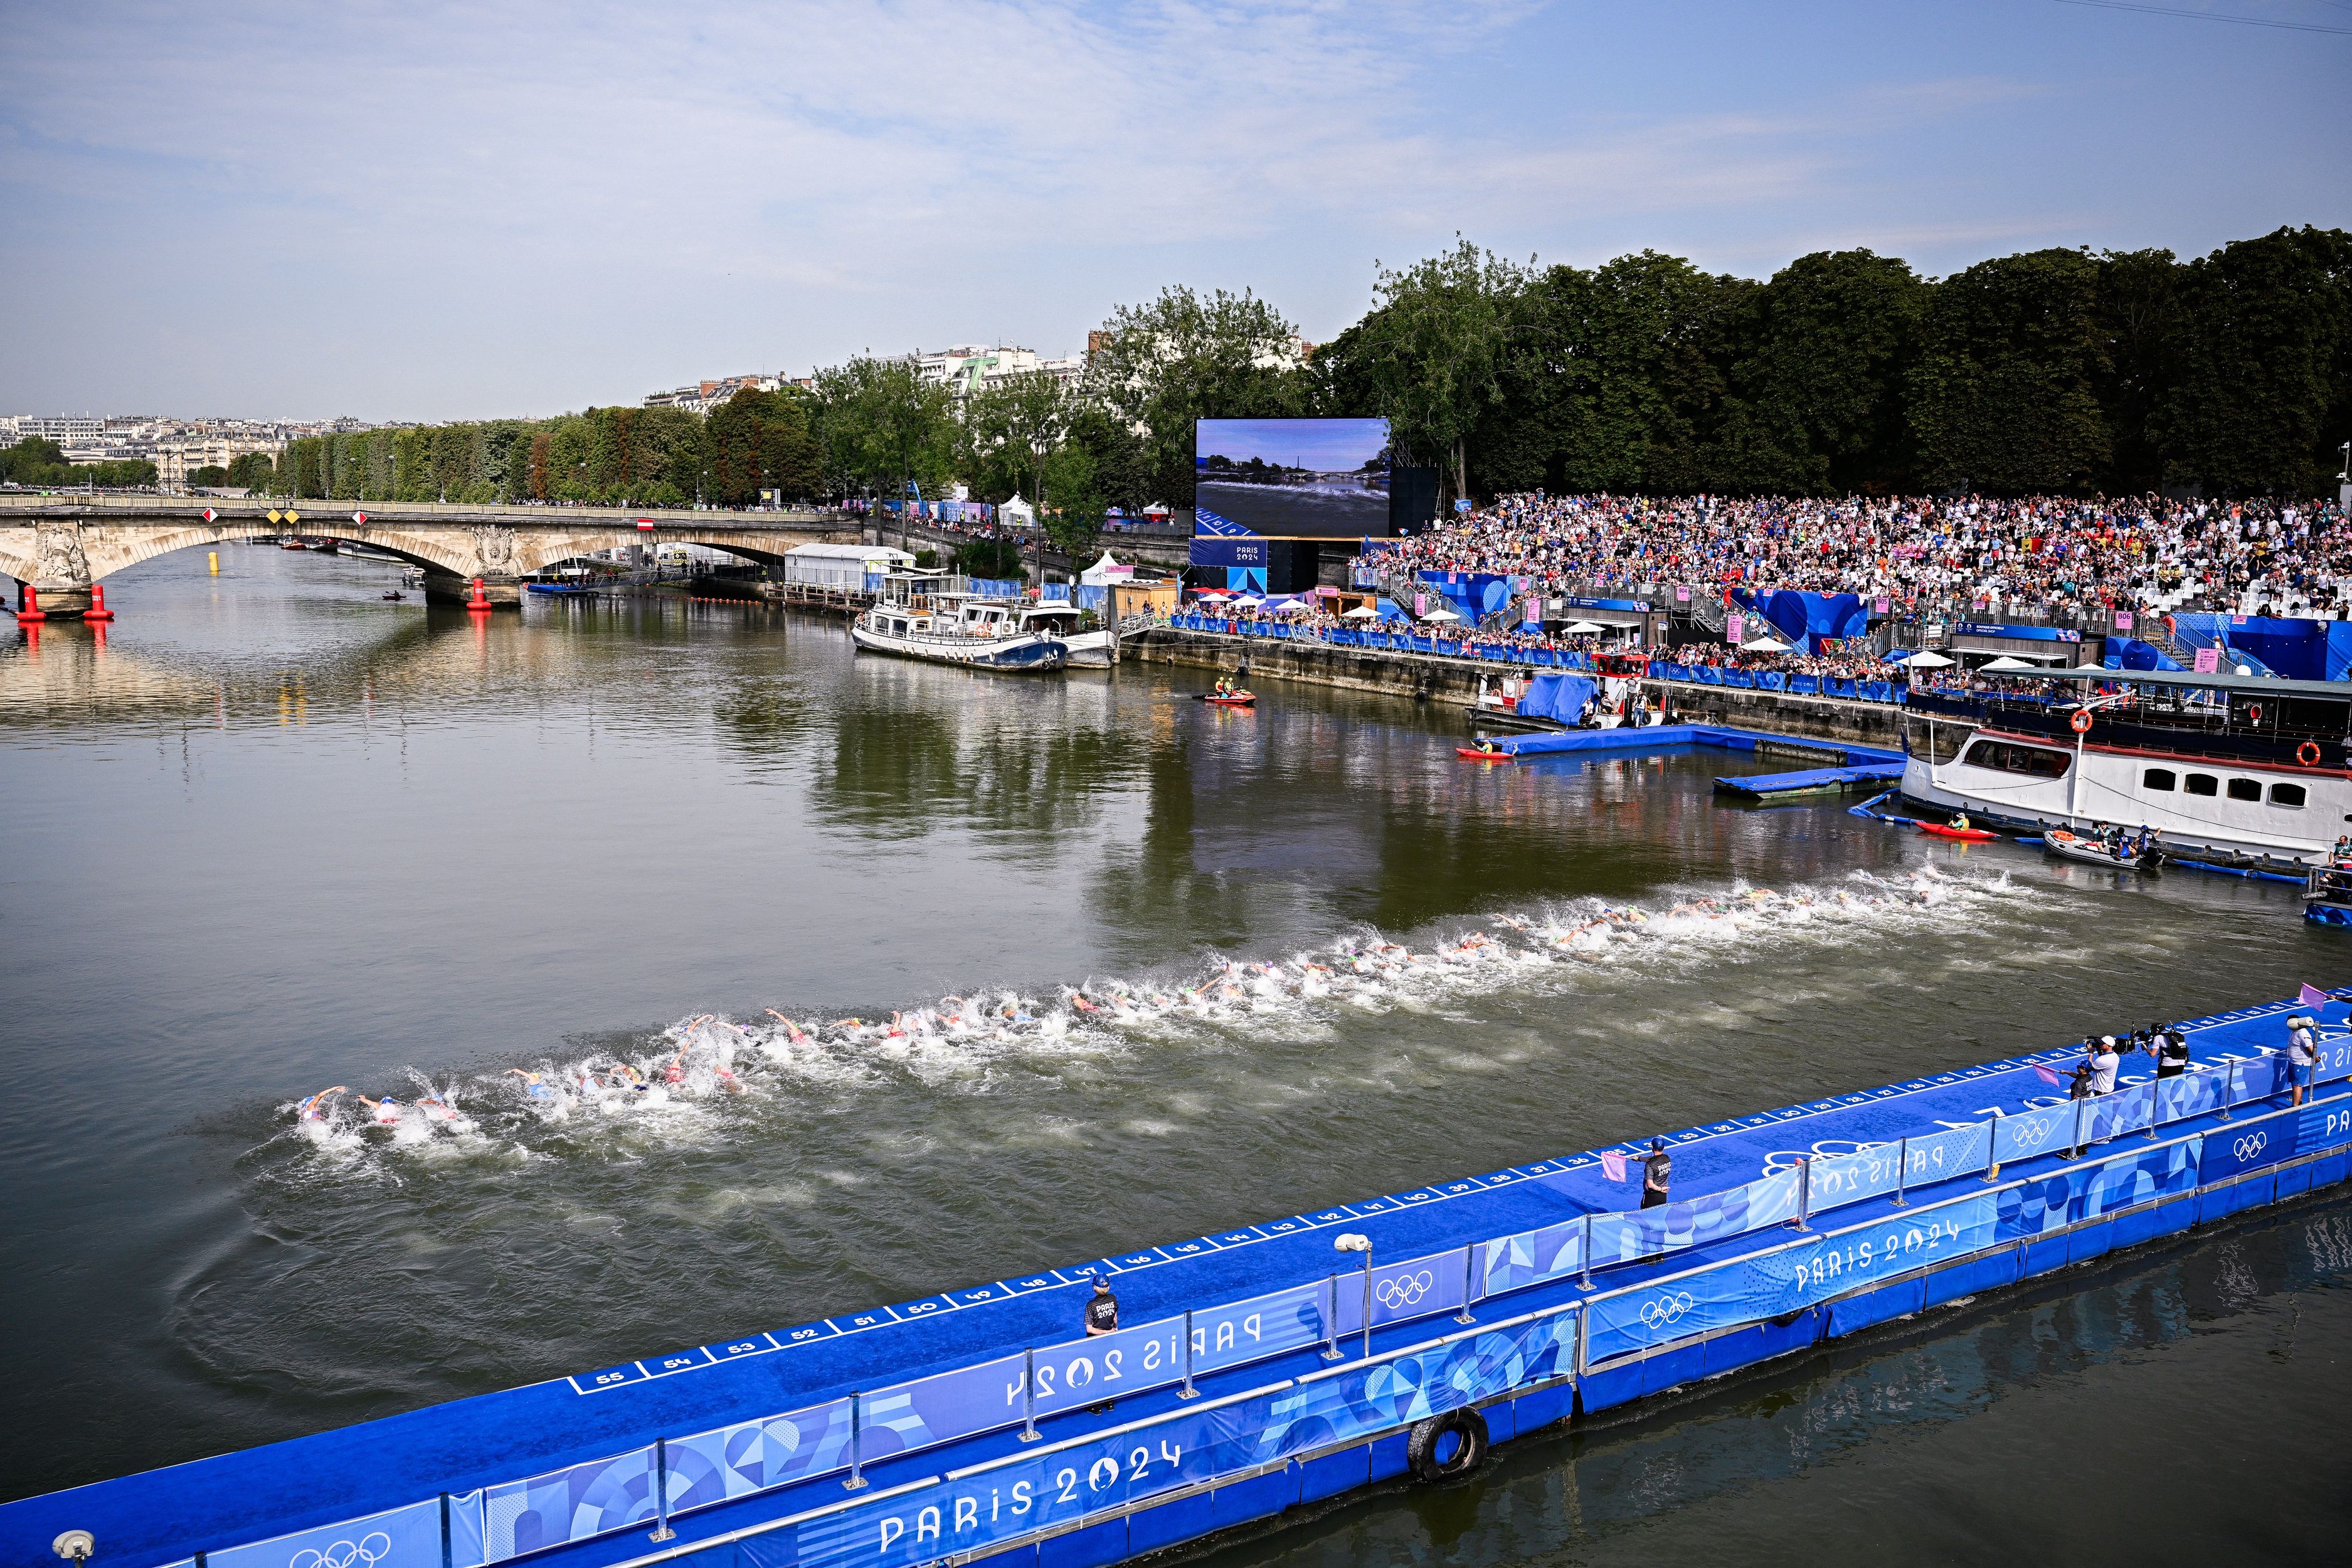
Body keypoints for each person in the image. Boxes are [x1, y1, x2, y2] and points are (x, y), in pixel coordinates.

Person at [1081, 1277, 1119, 1413]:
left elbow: (1090, 1329)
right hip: (1110, 1341)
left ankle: (1096, 1406)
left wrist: (1104, 1332)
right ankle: (1110, 1402)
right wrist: (1113, 1330)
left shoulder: (1090, 1305)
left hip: (1095, 1343)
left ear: (1095, 1288)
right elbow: (1115, 1318)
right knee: (1109, 1369)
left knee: (1095, 1372)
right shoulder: (1113, 1299)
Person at [2286, 1014, 2321, 1107]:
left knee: (2297, 1085)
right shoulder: (2295, 1031)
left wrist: (2315, 1057)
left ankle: (2295, 1107)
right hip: (2294, 1062)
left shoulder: (2303, 1033)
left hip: (2301, 1063)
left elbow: (2310, 1048)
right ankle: (2299, 1102)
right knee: (2295, 1084)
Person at [1641, 1138, 1671, 1209]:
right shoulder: (1667, 1158)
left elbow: (1650, 1185)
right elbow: (1652, 1159)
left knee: (1645, 1217)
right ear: (1664, 1147)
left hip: (1651, 1197)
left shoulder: (1650, 1165)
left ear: (1652, 1147)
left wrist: (1661, 1189)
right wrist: (1639, 1159)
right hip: (1663, 1196)